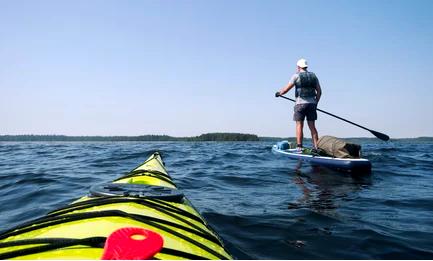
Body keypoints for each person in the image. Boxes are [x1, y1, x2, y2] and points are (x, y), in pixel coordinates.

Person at [275, 58, 322, 151]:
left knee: (299, 125)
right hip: (312, 104)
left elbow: (285, 90)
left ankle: (299, 147)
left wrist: (279, 93)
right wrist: (316, 102)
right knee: (312, 126)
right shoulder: (314, 76)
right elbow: (319, 91)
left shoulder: (296, 76)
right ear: (306, 66)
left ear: (298, 67)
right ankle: (316, 147)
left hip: (300, 104)